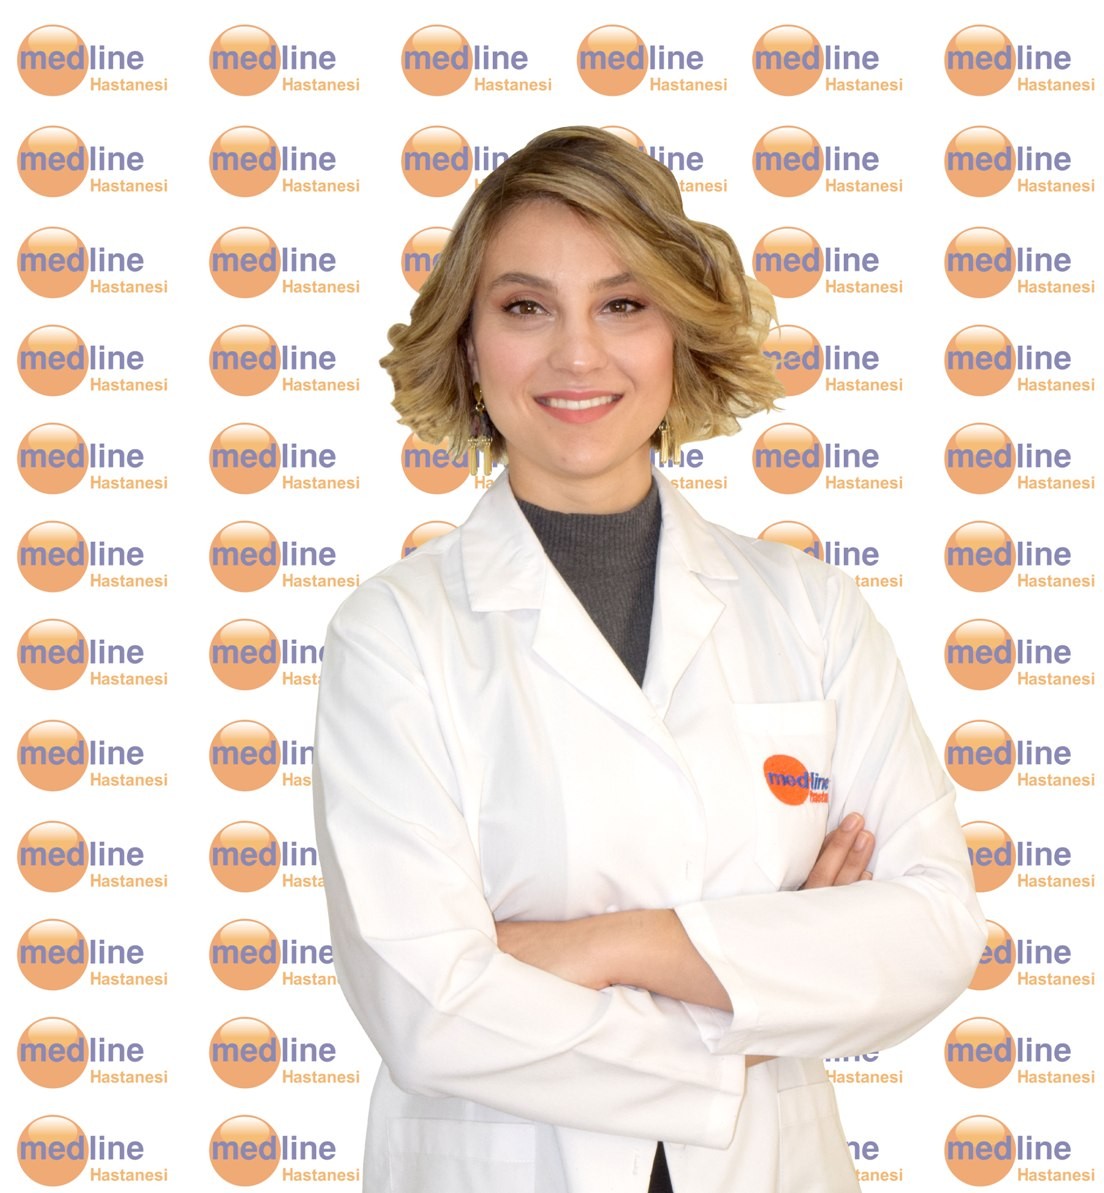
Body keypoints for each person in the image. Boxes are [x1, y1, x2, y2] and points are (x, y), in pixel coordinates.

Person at [313, 126, 985, 1193]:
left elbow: (933, 930)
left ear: (680, 331)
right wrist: (767, 986)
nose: (578, 355)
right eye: (525, 307)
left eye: (623, 304)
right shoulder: (394, 634)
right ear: (470, 346)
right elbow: (428, 1007)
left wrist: (610, 945)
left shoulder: (809, 611)